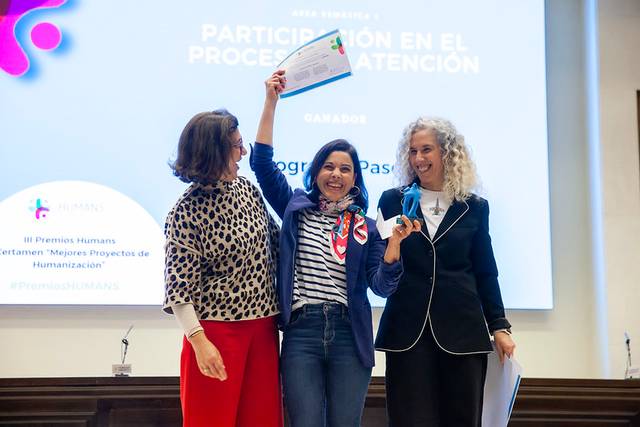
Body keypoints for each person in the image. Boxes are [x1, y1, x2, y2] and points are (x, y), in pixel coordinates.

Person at [250, 70, 420, 427]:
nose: (336, 174)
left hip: (349, 335)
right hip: (302, 332)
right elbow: (262, 165)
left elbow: (382, 286)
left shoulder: (366, 227)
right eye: (328, 166)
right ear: (315, 173)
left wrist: (393, 248)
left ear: (354, 179)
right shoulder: (296, 208)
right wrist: (271, 101)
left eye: (345, 169)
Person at [375, 117, 517, 427]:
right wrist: (395, 246)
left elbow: (485, 270)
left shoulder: (474, 207)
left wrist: (499, 325)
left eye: (427, 149)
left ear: (447, 153)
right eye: (413, 151)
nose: (419, 159)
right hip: (407, 333)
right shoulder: (392, 201)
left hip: (463, 333)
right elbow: (381, 270)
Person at [163, 109, 283, 427]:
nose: (243, 152)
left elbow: (279, 245)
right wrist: (199, 342)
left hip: (263, 330)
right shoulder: (185, 210)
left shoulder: (247, 191)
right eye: (237, 145)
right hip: (215, 334)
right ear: (214, 151)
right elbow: (178, 289)